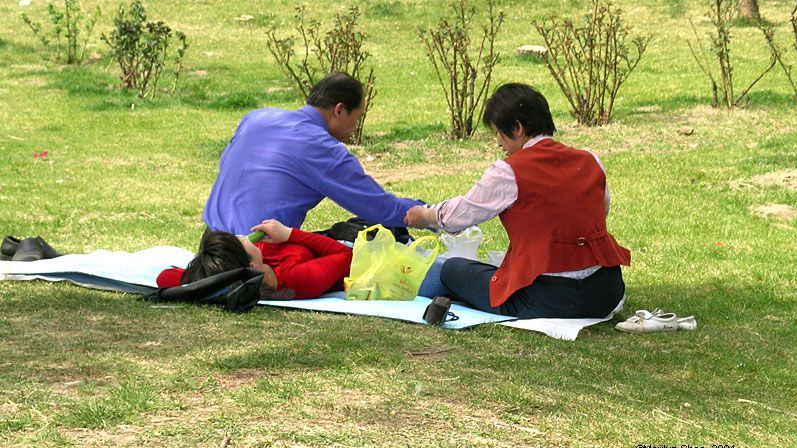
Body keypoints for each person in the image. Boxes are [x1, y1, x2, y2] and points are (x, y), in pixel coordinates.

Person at [404, 83, 631, 319]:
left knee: (452, 270)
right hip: (605, 292)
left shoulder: (509, 171)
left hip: (545, 298)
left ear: (517, 128)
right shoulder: (590, 160)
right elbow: (599, 211)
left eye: (498, 133)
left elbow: (459, 215)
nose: (498, 142)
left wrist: (426, 215)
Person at [203, 74, 424, 235]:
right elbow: (379, 208)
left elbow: (226, 163)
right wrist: (436, 214)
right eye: (357, 118)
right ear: (339, 110)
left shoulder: (256, 118)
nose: (356, 127)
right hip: (258, 254)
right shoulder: (323, 149)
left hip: (210, 245)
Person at [157, 219, 352, 300]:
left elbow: (164, 277)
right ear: (252, 266)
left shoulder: (252, 261)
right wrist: (290, 234)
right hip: (348, 246)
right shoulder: (297, 278)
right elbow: (346, 255)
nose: (242, 236)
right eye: (240, 242)